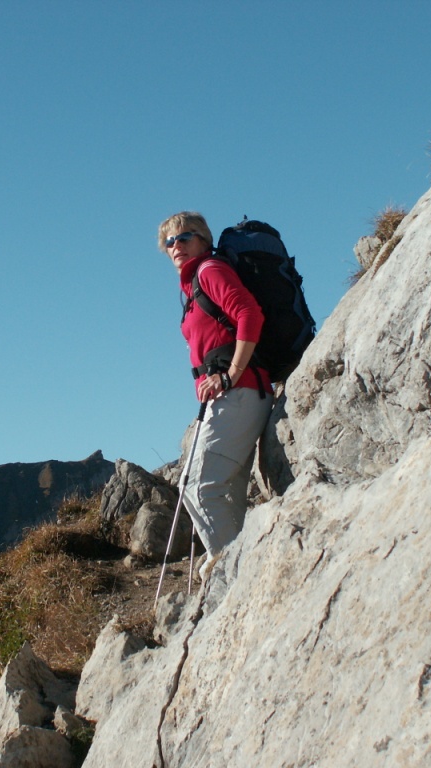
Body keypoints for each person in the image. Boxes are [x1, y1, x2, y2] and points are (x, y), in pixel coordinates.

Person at [158, 211, 274, 581]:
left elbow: (249, 314)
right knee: (225, 495)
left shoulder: (210, 270)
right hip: (235, 395)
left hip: (240, 391)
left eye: (185, 237)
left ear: (204, 240)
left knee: (197, 486)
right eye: (169, 242)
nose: (176, 246)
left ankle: (232, 577)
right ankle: (246, 572)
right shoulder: (193, 287)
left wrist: (230, 373)